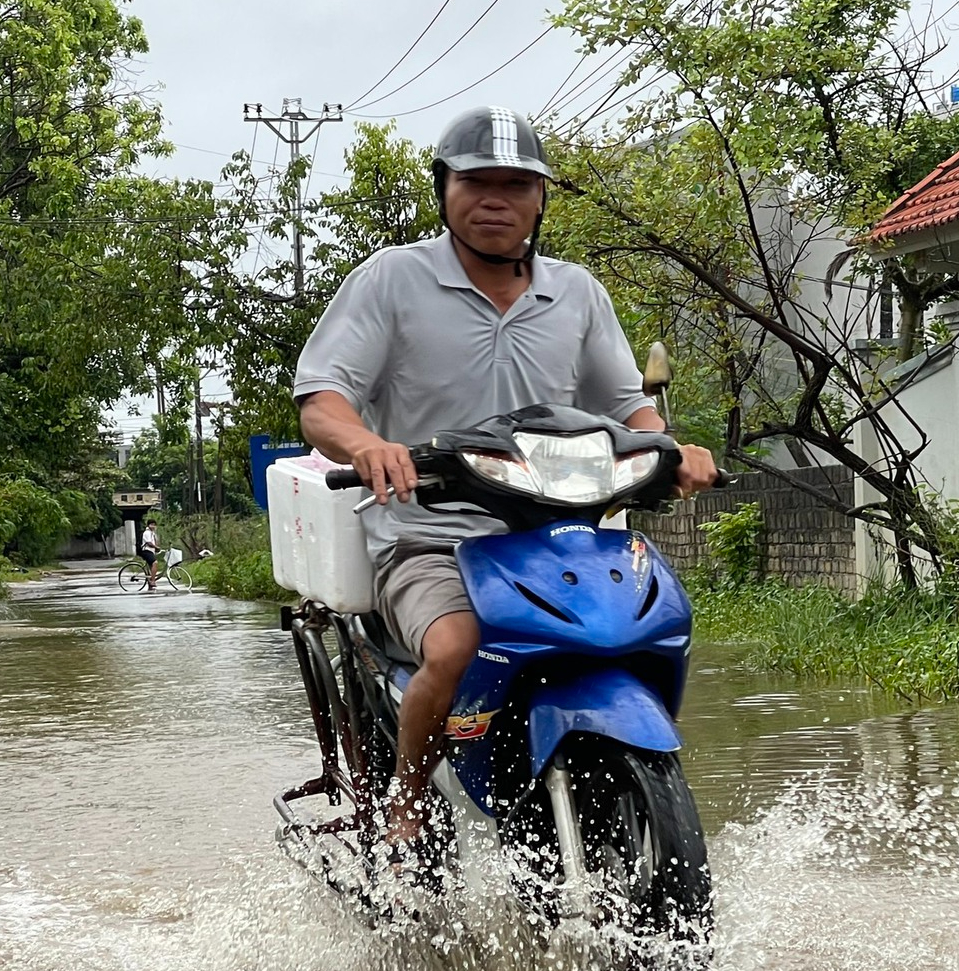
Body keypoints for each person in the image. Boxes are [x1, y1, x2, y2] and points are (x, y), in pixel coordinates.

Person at [293, 106, 718, 859]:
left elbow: (627, 405)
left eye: (516, 185)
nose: (496, 199)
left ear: (541, 198)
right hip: (432, 538)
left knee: (639, 630)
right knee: (455, 647)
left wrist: (672, 450)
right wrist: (365, 445)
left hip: (563, 534)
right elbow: (323, 397)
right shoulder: (394, 279)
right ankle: (410, 803)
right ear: (444, 189)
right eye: (476, 181)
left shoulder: (576, 292)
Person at [139, 518, 160, 591]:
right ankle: (153, 581)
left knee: (152, 567)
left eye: (154, 525)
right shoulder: (147, 533)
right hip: (146, 551)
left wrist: (157, 548)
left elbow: (154, 542)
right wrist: (156, 547)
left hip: (151, 551)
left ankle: (150, 583)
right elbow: (149, 543)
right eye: (151, 525)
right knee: (155, 563)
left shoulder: (152, 533)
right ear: (148, 525)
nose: (153, 526)